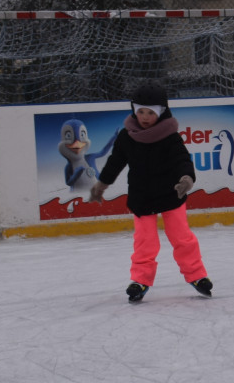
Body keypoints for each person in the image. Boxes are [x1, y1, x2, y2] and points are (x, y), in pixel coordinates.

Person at [90, 82, 212, 303]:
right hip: (142, 197)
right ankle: (140, 280)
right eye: (141, 112)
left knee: (182, 238)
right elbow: (115, 162)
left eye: (150, 113)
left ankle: (197, 276)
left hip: (171, 194)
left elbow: (182, 159)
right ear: (134, 111)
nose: (145, 117)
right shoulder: (127, 136)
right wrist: (102, 184)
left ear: (161, 112)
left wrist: (186, 179)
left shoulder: (169, 137)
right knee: (145, 242)